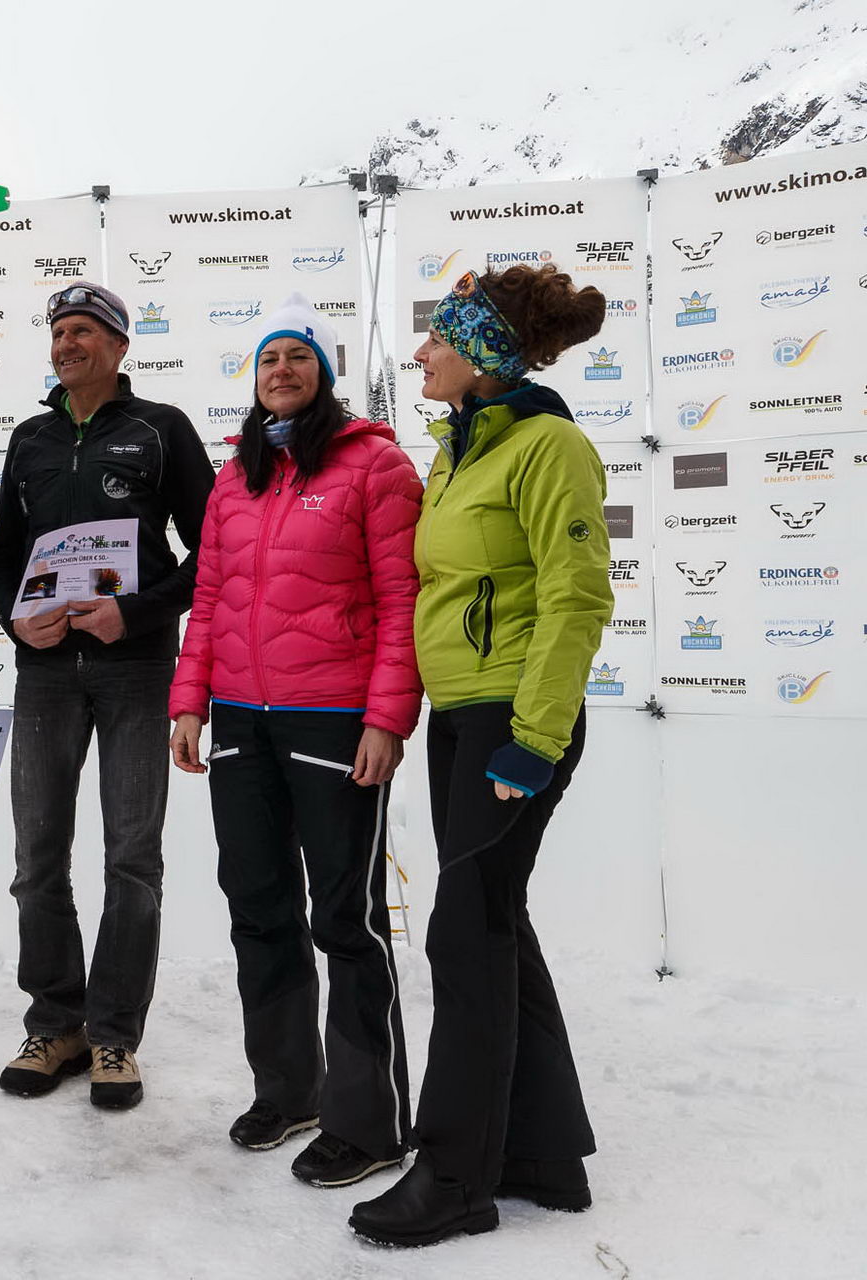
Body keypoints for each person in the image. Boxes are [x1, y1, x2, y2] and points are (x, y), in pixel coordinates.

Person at [349, 266, 609, 1245]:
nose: (420, 352)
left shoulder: (550, 447)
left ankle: (457, 1175)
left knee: (464, 933)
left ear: (482, 354)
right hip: (463, 717)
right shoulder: (462, 452)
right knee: (496, 923)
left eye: (437, 340)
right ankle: (543, 1151)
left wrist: (534, 740)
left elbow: (576, 595)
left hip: (512, 720)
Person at [167, 294, 422, 1185]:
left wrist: (388, 719)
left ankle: (370, 1121)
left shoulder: (374, 467)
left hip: (332, 720)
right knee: (258, 909)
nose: (282, 372)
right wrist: (188, 699)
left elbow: (404, 604)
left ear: (324, 375)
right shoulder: (235, 477)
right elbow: (210, 601)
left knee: (345, 921)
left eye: (299, 359)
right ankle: (289, 1089)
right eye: (270, 359)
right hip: (239, 719)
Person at [0, 281, 212, 1109]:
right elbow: (5, 553)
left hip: (136, 665)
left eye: (85, 331)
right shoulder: (31, 437)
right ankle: (57, 1024)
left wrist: (139, 611)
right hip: (47, 670)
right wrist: (17, 626)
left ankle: (115, 1037)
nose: (67, 344)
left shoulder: (163, 429)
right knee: (35, 859)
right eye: (59, 332)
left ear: (119, 347)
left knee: (132, 857)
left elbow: (210, 551)